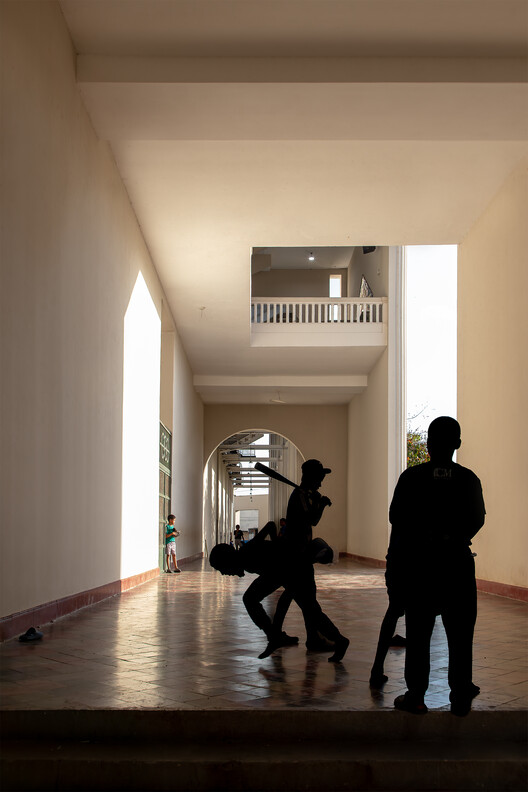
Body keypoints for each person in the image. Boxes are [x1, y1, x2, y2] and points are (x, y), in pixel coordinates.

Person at [387, 417, 485, 715]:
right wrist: (452, 537)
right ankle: (460, 693)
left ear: (427, 444)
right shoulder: (469, 479)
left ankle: (416, 695)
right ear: (457, 443)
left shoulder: (412, 477)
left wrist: (394, 567)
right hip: (457, 564)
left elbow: (397, 522)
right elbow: (477, 519)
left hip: (421, 567)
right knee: (460, 634)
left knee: (418, 634)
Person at [210, 521, 349, 663]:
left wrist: (279, 547)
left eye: (222, 570)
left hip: (297, 568)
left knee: (310, 610)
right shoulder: (248, 558)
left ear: (227, 561)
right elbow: (270, 527)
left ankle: (340, 640)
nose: (224, 574)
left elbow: (285, 596)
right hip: (284, 569)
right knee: (252, 599)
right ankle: (278, 637)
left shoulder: (250, 554)